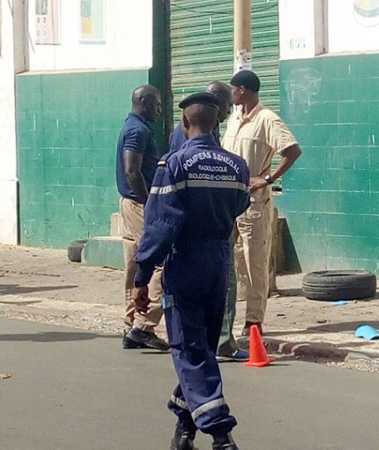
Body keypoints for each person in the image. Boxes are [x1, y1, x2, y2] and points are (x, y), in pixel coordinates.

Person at [131, 92, 248, 450]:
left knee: (189, 351)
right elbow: (239, 206)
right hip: (219, 265)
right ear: (217, 123)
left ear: (185, 123)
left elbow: (161, 224)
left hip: (185, 263)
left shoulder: (174, 164)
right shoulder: (237, 166)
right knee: (202, 350)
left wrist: (141, 276)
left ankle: (220, 431)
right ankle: (184, 428)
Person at [169, 81, 248, 361]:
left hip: (183, 237)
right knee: (223, 285)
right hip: (210, 234)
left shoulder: (180, 134)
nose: (229, 112)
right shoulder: (212, 144)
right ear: (215, 108)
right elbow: (240, 197)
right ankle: (222, 341)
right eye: (227, 106)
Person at [222, 70, 302, 336]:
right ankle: (225, 318)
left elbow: (291, 151)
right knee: (227, 261)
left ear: (242, 90)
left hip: (254, 204)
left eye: (233, 88)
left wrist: (267, 178)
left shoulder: (268, 119)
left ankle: (253, 322)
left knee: (255, 263)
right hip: (228, 203)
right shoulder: (234, 118)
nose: (231, 93)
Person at [115, 85, 168, 351]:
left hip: (129, 203)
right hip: (138, 204)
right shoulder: (138, 130)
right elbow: (132, 170)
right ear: (145, 102)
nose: (160, 109)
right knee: (156, 263)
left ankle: (132, 320)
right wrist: (150, 203)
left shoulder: (132, 125)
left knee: (135, 263)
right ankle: (143, 325)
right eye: (157, 104)